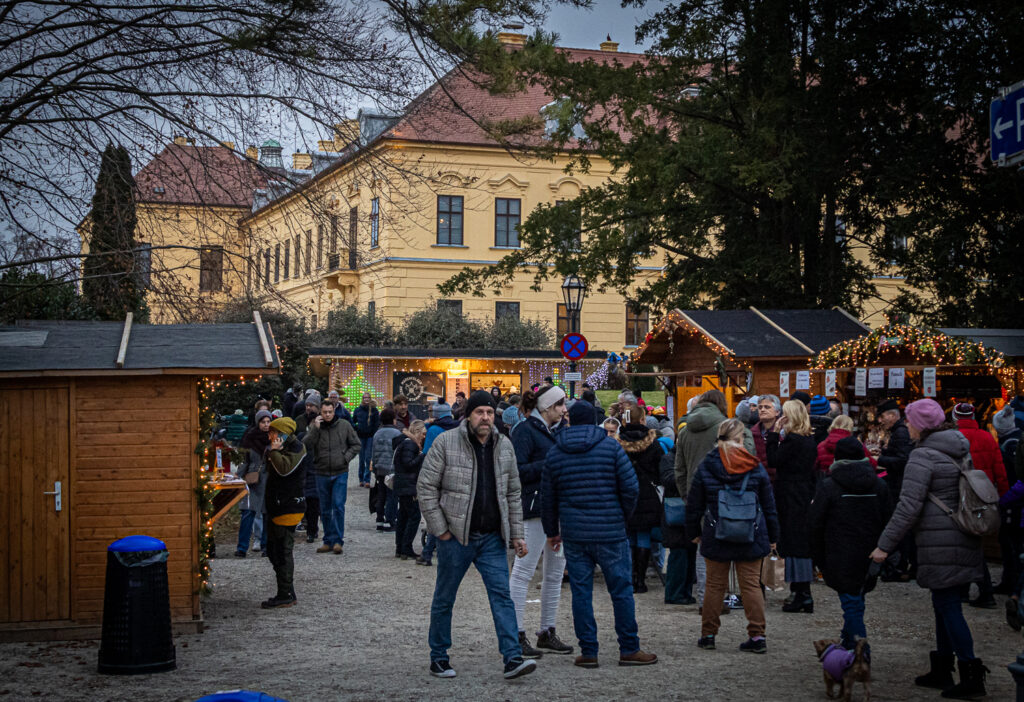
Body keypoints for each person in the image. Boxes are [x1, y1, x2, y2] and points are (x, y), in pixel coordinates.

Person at [870, 398, 989, 699]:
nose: (906, 425)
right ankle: (942, 667)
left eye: (909, 420)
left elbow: (908, 506)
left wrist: (884, 545)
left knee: (948, 606)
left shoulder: (923, 456)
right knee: (943, 603)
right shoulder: (958, 446)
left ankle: (970, 673)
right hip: (961, 533)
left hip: (940, 539)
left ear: (919, 425)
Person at [417, 390, 536, 680]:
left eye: (490, 412)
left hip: (492, 538)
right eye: (480, 412)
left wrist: (517, 534)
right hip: (456, 536)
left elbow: (512, 492)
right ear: (468, 414)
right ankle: (439, 657)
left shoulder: (504, 445)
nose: (485, 417)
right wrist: (441, 530)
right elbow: (426, 487)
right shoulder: (446, 443)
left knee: (502, 596)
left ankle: (512, 658)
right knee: (445, 598)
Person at [542, 400, 657, 668]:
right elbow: (630, 488)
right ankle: (629, 648)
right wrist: (621, 516)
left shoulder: (556, 451)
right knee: (621, 590)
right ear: (595, 420)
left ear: (569, 419)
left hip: (575, 532)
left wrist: (551, 531)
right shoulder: (610, 448)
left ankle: (589, 651)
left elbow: (549, 497)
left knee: (581, 592)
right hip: (611, 530)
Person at [686, 418, 779, 653]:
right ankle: (757, 636)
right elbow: (769, 505)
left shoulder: (707, 465)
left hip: (717, 531)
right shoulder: (754, 466)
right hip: (751, 532)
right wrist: (774, 535)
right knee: (751, 586)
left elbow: (694, 504)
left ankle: (708, 634)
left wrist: (694, 532)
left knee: (714, 586)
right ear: (741, 439)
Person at [809, 436, 890, 651]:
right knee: (856, 600)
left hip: (839, 552)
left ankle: (859, 651)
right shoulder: (879, 485)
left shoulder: (829, 486)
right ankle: (848, 644)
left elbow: (815, 523)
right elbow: (888, 519)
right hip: (871, 551)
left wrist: (817, 555)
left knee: (851, 603)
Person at [508, 385, 572, 658]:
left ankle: (547, 629)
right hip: (533, 508)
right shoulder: (524, 431)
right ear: (546, 407)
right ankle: (517, 633)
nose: (563, 409)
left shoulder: (555, 432)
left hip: (557, 508)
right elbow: (517, 471)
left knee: (555, 573)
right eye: (559, 405)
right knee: (524, 571)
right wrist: (551, 463)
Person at [675, 389, 754, 609]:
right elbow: (749, 456)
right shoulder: (730, 427)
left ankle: (706, 601)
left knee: (703, 548)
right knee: (734, 544)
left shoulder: (684, 431)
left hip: (697, 497)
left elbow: (679, 469)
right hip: (731, 496)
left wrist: (687, 496)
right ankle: (732, 596)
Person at [766, 399, 818, 613]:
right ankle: (801, 591)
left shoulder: (793, 440)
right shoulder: (808, 440)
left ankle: (801, 592)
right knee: (799, 541)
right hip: (802, 492)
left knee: (794, 542)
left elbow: (773, 460)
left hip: (790, 494)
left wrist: (773, 434)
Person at [302, 399, 360, 555]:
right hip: (321, 472)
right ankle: (327, 540)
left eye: (330, 412)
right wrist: (315, 428)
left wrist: (345, 458)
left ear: (334, 411)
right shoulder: (316, 427)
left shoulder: (344, 426)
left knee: (338, 506)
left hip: (340, 471)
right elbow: (306, 444)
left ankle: (338, 541)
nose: (327, 415)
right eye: (324, 412)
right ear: (320, 412)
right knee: (325, 509)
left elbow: (356, 445)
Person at [616, 405, 664, 595]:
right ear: (643, 419)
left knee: (628, 536)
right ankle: (640, 580)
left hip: (624, 493)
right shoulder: (654, 443)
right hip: (647, 493)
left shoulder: (618, 443)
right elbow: (661, 469)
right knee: (643, 535)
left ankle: (630, 576)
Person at [261, 416, 307, 608]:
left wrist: (274, 452)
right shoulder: (284, 448)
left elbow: (284, 469)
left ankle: (285, 594)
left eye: (273, 432)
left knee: (282, 551)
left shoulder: (296, 449)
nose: (269, 435)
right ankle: (287, 589)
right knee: (273, 549)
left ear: (283, 435)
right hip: (278, 506)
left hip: (288, 507)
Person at [875, 398, 915, 580]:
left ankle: (899, 565)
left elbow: (902, 460)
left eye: (882, 416)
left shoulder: (900, 433)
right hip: (896, 484)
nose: (880, 420)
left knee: (899, 524)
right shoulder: (898, 431)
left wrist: (879, 461)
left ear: (892, 415)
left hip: (897, 485)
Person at [660, 438, 695, 605]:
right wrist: (687, 475)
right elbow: (667, 479)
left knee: (690, 553)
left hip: (687, 509)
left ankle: (685, 592)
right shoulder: (669, 458)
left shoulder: (689, 456)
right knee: (679, 553)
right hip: (675, 510)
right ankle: (674, 593)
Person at [993, 404, 1023, 594]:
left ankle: (1012, 583)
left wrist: (1003, 499)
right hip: (1014, 499)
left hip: (1013, 501)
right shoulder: (1015, 441)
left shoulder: (1010, 445)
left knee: (1010, 543)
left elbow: (1016, 478)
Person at [235, 409, 271, 557]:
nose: (266, 425)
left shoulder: (273, 438)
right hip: (253, 478)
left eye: (268, 422)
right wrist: (238, 476)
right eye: (263, 422)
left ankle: (266, 546)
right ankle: (242, 547)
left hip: (269, 479)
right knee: (248, 512)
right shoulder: (250, 438)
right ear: (258, 422)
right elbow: (245, 460)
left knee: (267, 513)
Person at [393, 420, 427, 560]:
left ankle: (400, 548)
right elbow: (408, 464)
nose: (424, 437)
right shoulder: (410, 444)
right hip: (408, 486)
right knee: (414, 516)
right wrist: (421, 456)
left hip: (403, 485)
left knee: (403, 516)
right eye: (423, 433)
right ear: (417, 432)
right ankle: (406, 548)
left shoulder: (406, 443)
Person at [371, 409, 403, 531]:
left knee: (381, 495)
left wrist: (374, 468)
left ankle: (379, 520)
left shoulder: (377, 433)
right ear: (393, 419)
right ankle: (390, 521)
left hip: (380, 468)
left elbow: (373, 453)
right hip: (392, 469)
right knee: (392, 496)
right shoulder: (396, 433)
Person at [352, 393, 380, 488]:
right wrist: (356, 428)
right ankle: (361, 479)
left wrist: (373, 433)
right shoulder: (358, 410)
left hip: (370, 437)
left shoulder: (374, 410)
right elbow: (353, 421)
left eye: (368, 397)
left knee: (368, 458)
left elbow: (377, 423)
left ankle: (367, 479)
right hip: (360, 436)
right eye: (365, 398)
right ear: (362, 399)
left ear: (370, 399)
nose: (366, 399)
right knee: (361, 458)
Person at [751, 395, 780, 479]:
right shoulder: (752, 433)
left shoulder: (784, 432)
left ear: (777, 412)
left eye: (767, 407)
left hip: (779, 481)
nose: (762, 410)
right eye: (760, 407)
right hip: (757, 480)